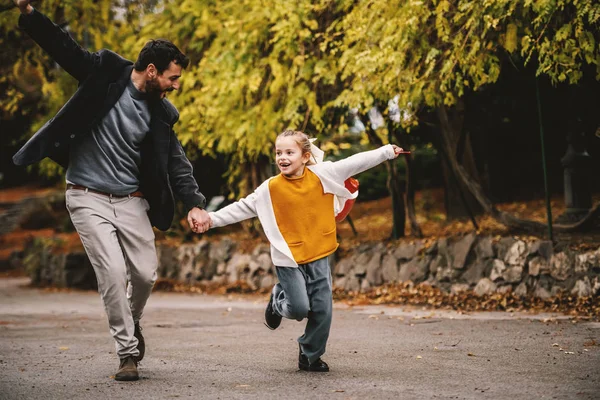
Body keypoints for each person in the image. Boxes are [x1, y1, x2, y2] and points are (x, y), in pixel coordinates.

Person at [11, 0, 211, 381]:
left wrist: (195, 203)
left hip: (132, 200)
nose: (175, 85)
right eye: (172, 77)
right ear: (151, 71)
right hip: (87, 196)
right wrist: (31, 15)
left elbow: (176, 164)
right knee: (113, 273)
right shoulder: (104, 71)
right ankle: (127, 354)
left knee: (146, 276)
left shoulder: (161, 114)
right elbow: (64, 49)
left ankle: (130, 322)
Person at [201, 129, 404, 372]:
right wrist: (210, 220)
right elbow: (241, 208)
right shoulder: (270, 188)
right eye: (278, 153)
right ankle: (277, 302)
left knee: (322, 310)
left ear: (305, 156)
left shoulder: (323, 174)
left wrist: (386, 152)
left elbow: (355, 162)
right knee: (298, 309)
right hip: (288, 259)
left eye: (289, 152)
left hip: (319, 253)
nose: (282, 158)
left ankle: (310, 355)